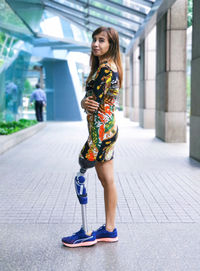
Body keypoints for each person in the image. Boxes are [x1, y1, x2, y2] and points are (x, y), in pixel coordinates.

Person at [62, 26, 123, 248]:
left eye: (102, 41)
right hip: (105, 130)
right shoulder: (106, 68)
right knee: (107, 180)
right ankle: (109, 229)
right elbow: (92, 102)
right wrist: (84, 102)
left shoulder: (106, 70)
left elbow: (92, 103)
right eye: (94, 40)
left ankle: (87, 233)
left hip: (101, 134)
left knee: (82, 176)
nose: (96, 44)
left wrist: (83, 102)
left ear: (111, 45)